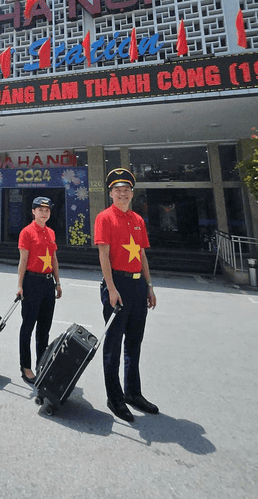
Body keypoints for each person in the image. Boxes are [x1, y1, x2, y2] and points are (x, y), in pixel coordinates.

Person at [95, 168, 158, 422]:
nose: (123, 194)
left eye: (127, 190)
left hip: (137, 286)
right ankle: (115, 397)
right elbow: (103, 254)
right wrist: (111, 288)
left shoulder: (138, 220)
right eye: (118, 190)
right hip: (117, 285)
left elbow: (142, 254)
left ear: (132, 193)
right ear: (111, 193)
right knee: (113, 344)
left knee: (134, 342)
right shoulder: (105, 218)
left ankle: (133, 392)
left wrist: (149, 286)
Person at [15, 196, 62, 385]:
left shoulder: (51, 232)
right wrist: (19, 285)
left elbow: (54, 259)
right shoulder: (27, 232)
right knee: (28, 326)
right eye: (40, 210)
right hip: (32, 282)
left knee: (44, 328)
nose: (44, 213)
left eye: (47, 210)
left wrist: (58, 282)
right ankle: (25, 366)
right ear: (33, 212)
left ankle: (41, 364)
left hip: (48, 284)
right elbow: (23, 260)